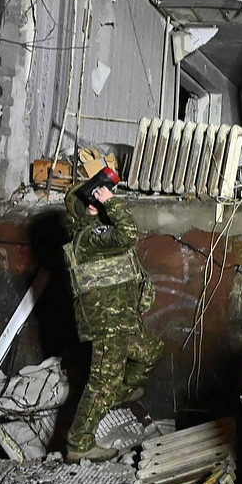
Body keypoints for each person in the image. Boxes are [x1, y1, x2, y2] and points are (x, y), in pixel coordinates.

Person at [64, 167, 163, 460]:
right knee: (101, 384)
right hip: (108, 325)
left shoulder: (100, 233)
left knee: (151, 351)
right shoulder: (87, 237)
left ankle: (119, 391)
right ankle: (78, 445)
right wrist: (110, 201)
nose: (96, 203)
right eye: (90, 200)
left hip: (124, 319)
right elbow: (128, 234)